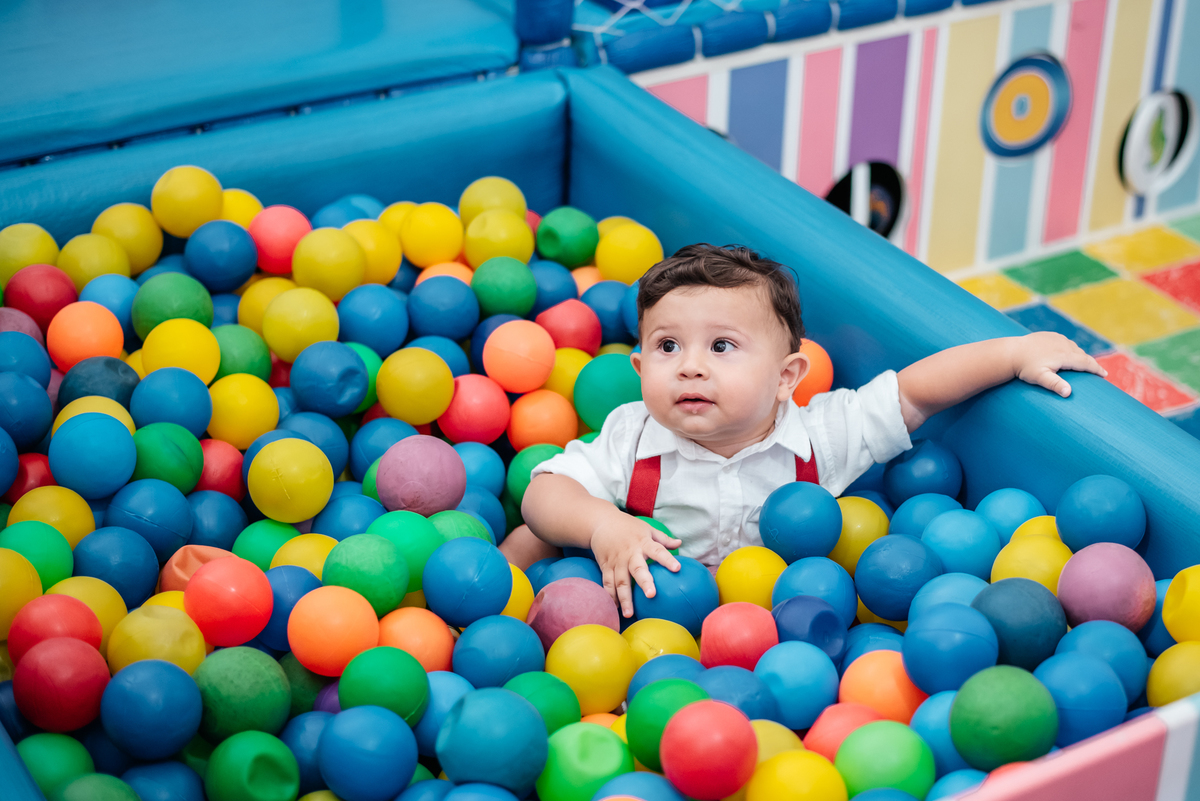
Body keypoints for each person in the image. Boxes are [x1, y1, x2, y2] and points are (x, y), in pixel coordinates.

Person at [501, 244, 1105, 617]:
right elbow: (544, 489)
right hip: (639, 603)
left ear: (786, 377)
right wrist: (604, 526)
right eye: (667, 346)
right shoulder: (632, 437)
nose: (690, 365)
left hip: (778, 618)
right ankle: (486, 609)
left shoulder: (821, 436)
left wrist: (1014, 353)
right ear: (639, 370)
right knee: (538, 537)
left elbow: (914, 392)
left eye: (721, 346)